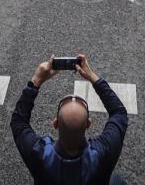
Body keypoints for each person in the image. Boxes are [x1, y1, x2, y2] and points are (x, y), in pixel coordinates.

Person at [11, 54, 129, 185]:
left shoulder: (38, 153)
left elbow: (18, 122)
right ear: (88, 124)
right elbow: (119, 113)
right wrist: (91, 76)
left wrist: (37, 79)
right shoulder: (103, 152)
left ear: (55, 123)